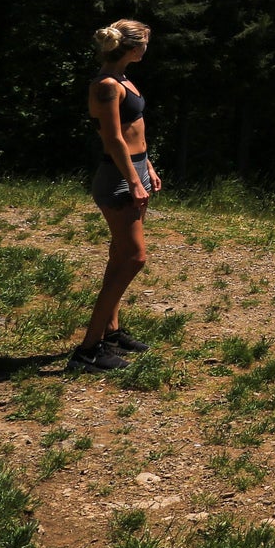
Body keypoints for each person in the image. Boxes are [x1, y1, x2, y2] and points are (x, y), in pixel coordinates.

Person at [73, 18, 161, 371]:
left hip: (134, 170)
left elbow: (132, 130)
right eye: (146, 43)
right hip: (118, 176)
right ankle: (87, 350)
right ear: (133, 47)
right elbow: (113, 139)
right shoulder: (106, 85)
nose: (147, 49)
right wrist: (134, 181)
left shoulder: (122, 78)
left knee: (119, 255)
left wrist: (147, 166)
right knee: (134, 258)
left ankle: (111, 333)